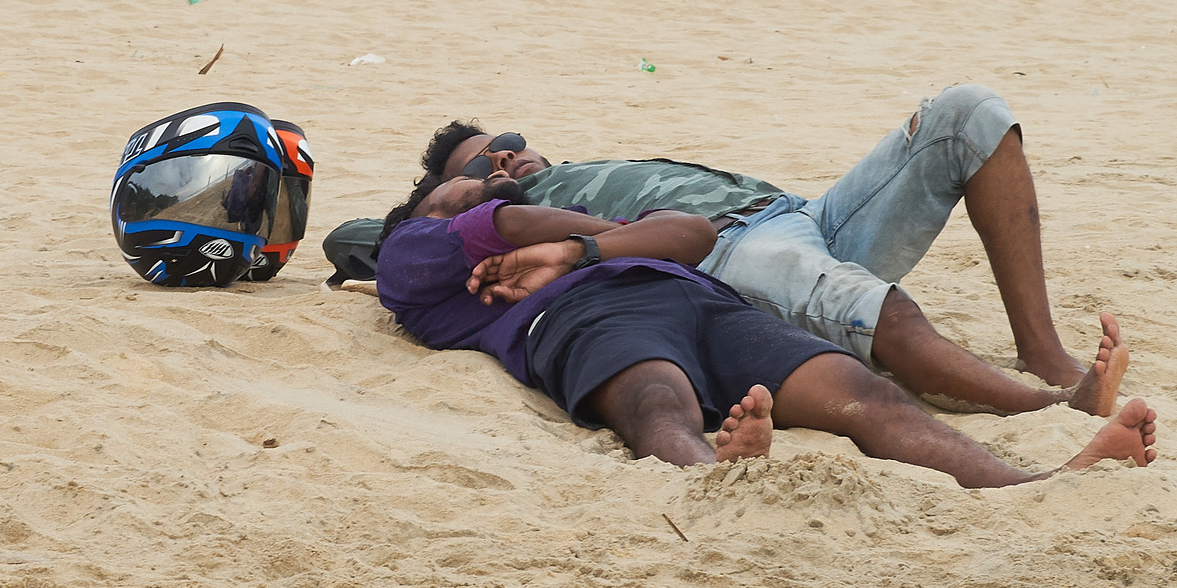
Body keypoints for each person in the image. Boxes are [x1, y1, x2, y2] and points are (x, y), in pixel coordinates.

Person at [404, 87, 1125, 419]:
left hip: (798, 212)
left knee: (968, 114)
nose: (502, 162)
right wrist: (482, 206)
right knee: (867, 307)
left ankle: (1044, 352)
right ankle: (1048, 406)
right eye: (477, 169)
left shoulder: (591, 164)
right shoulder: (508, 217)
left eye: (509, 143)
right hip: (717, 257)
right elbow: (363, 242)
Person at [375, 183, 1156, 487]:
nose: (493, 177)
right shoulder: (412, 248)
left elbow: (689, 234)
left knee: (864, 394)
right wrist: (543, 237)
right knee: (655, 397)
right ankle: (716, 472)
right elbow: (503, 218)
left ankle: (1034, 482)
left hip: (701, 301)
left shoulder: (566, 233)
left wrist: (577, 248)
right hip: (582, 319)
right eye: (467, 177)